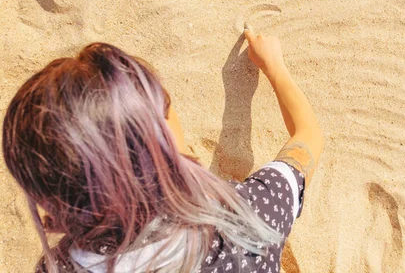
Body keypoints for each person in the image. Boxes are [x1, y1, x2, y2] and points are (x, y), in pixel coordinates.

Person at [2, 28, 324, 273]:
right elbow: (307, 139)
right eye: (164, 104)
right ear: (162, 144)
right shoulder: (246, 219)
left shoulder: (56, 268)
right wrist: (275, 68)